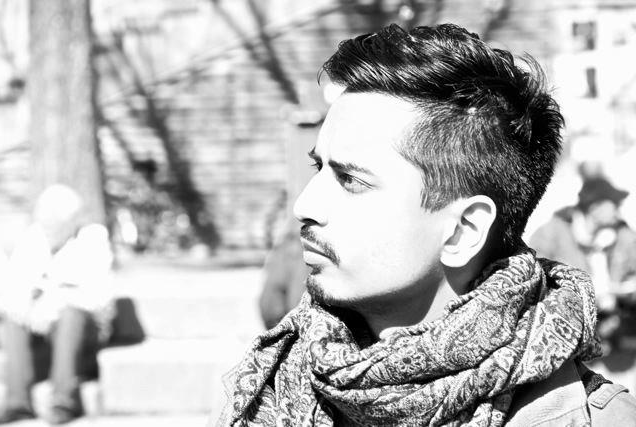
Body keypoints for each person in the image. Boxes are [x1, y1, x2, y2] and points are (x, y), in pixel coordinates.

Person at [218, 23, 636, 426]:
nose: (304, 205)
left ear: (464, 230)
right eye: (318, 167)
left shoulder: (594, 419)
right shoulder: (262, 390)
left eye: (351, 180)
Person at [0, 184, 114, 425]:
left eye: (55, 222)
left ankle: (64, 402)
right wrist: (24, 308)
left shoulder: (93, 239)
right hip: (44, 331)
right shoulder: (35, 237)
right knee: (13, 316)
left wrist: (54, 302)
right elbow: (15, 286)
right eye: (45, 221)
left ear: (72, 221)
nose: (48, 227)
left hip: (83, 333)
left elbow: (99, 300)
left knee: (71, 314)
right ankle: (17, 404)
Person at [531, 176, 636, 349]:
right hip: (565, 340)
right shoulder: (551, 235)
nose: (618, 210)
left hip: (616, 340)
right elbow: (534, 283)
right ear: (595, 208)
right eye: (614, 204)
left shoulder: (624, 236)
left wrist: (623, 293)